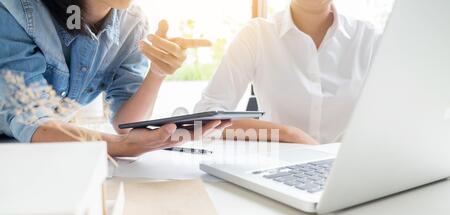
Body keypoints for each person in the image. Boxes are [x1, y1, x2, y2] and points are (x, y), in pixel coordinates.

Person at [0, 0, 231, 157]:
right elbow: (33, 121)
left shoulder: (132, 23)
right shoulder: (16, 10)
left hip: (38, 151)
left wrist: (157, 72)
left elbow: (125, 123)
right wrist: (123, 146)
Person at [195, 0, 381, 144]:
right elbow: (204, 117)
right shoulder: (257, 34)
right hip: (276, 169)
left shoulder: (370, 39)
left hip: (349, 172)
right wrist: (287, 134)